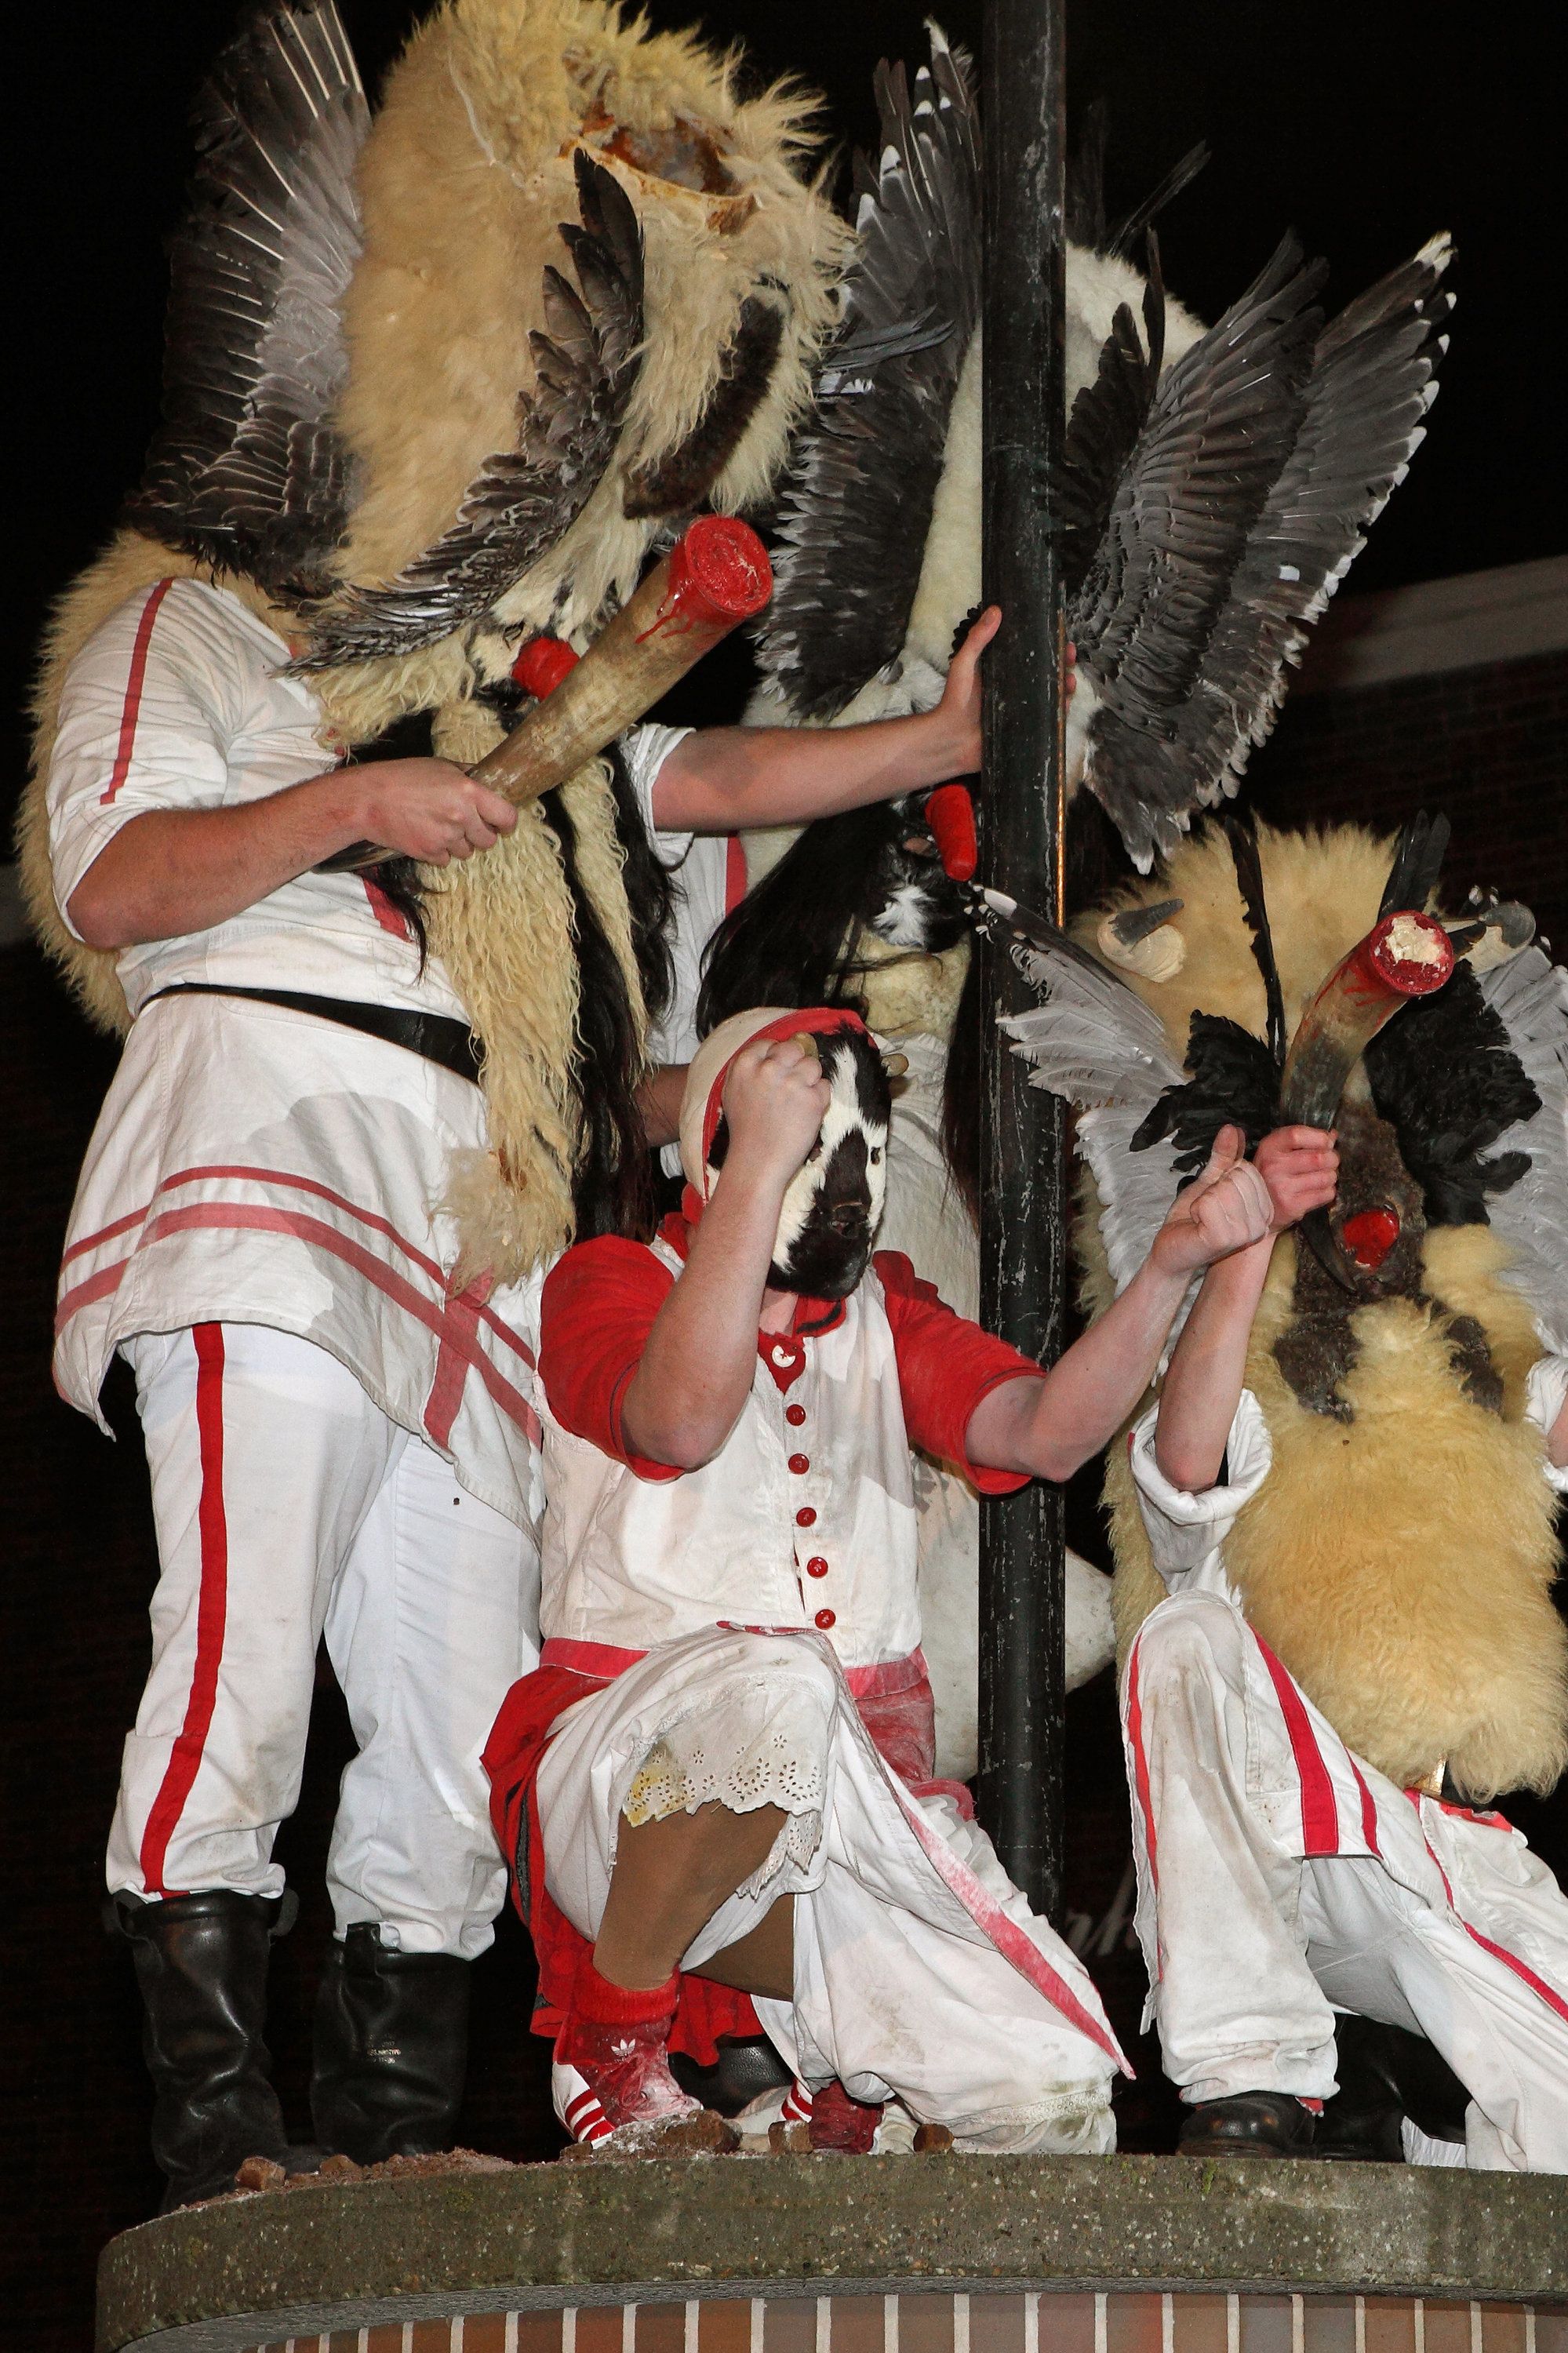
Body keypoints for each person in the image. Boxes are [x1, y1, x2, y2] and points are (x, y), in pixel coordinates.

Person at [46, 568, 999, 2209]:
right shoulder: (199, 625)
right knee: (242, 1657)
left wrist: (939, 743)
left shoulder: (502, 661)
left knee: (454, 1728)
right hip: (272, 1145)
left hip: (494, 1221)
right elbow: (108, 885)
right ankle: (220, 2130)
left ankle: (393, 2143)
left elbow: (690, 772)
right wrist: (360, 803)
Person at [486, 1011, 1294, 2153]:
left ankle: (833, 2089)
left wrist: (1171, 1268)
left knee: (1053, 2095)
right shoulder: (608, 1278)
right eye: (810, 1147)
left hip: (848, 1819)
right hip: (621, 1794)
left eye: (861, 1151)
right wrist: (756, 1171)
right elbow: (677, 1423)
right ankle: (611, 2040)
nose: (847, 1188)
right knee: (779, 1682)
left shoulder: (886, 1313)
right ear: (718, 1146)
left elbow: (1047, 1434)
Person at [1121, 1075, 1568, 2181]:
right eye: (1330, 1202)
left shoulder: (1486, 1388)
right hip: (1282, 1821)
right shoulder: (1245, 1383)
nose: (1368, 1223)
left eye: (1386, 1193)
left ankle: (1409, 2074)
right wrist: (1247, 1241)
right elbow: (1184, 1459)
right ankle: (1249, 2071)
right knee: (1186, 1635)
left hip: (1438, 1840)